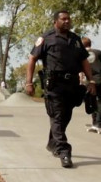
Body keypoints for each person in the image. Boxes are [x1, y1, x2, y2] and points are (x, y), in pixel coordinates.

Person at [26, 10, 96, 168]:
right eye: (63, 19)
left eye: (68, 19)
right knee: (57, 117)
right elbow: (32, 59)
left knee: (65, 117)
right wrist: (28, 82)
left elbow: (84, 61)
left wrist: (91, 80)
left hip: (72, 85)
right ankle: (64, 151)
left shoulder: (75, 39)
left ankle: (53, 143)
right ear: (55, 21)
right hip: (54, 86)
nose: (67, 21)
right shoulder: (46, 38)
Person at [81, 37, 101, 129]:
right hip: (100, 79)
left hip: (89, 81)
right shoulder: (98, 52)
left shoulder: (81, 54)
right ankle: (98, 123)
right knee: (100, 101)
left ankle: (95, 123)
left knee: (91, 101)